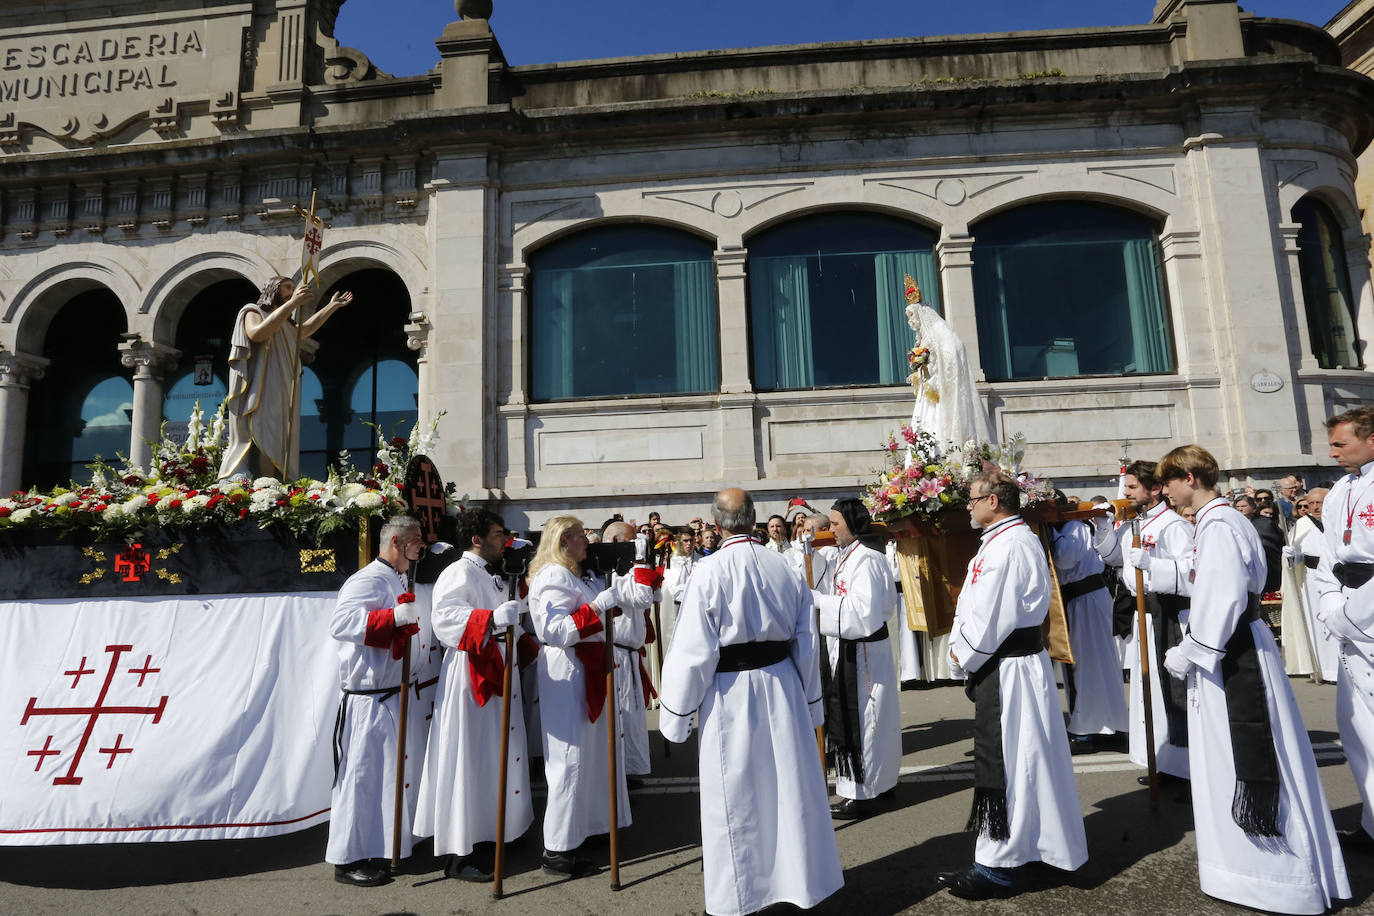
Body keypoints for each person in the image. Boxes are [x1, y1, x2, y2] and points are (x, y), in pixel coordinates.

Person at [1158, 445, 1348, 914]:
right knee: (1226, 758)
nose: (1166, 491)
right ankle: (1243, 870)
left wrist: (1190, 651)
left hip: (1229, 651)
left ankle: (1275, 878)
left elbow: (1223, 595)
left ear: (1188, 476)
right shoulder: (1217, 520)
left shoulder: (1220, 523)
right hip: (1233, 647)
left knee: (1247, 754)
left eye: (1169, 482)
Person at [659, 488, 843, 916]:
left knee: (737, 795)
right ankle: (797, 885)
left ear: (716, 525)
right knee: (786, 787)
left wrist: (676, 717)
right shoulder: (784, 567)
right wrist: (811, 703)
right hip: (782, 687)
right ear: (754, 518)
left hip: (731, 693)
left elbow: (692, 651)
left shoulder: (709, 572)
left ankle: (738, 899)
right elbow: (807, 640)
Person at [940, 471, 1087, 900]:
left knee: (1010, 764)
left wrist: (959, 654)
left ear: (994, 501)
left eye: (972, 498)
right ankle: (1035, 851)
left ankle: (998, 866)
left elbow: (990, 619)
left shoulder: (1008, 546)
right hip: (1011, 665)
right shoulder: (1004, 540)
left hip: (1010, 669)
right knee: (1028, 761)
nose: (967, 505)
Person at [414, 508, 532, 882]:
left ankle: (496, 829)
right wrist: (494, 620)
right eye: (499, 533)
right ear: (477, 538)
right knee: (468, 755)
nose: (505, 540)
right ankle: (461, 850)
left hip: (498, 666)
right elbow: (445, 620)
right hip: (471, 674)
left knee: (494, 755)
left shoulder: (493, 575)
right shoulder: (459, 572)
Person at [527, 516, 649, 877]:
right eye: (582, 536)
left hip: (587, 667)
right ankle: (558, 849)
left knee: (593, 756)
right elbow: (556, 629)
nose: (588, 541)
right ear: (564, 540)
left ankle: (589, 828)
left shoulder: (572, 574)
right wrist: (599, 606)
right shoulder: (552, 575)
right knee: (570, 760)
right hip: (567, 670)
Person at [326, 515, 425, 887]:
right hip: (368, 699)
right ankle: (346, 859)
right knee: (360, 779)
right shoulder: (366, 579)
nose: (422, 547)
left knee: (385, 779)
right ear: (396, 542)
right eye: (417, 541)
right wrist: (391, 617)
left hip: (390, 696)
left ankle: (380, 846)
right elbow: (340, 623)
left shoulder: (394, 577)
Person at [1091, 459, 1193, 789]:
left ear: (1155, 488)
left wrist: (1153, 566)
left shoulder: (1173, 526)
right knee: (1150, 692)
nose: (1126, 493)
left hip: (1166, 617)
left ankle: (1185, 768)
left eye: (1133, 487)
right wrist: (1103, 525)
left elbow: (1187, 574)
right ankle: (1163, 760)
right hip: (1143, 617)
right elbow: (1112, 557)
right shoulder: (1138, 522)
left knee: (1171, 692)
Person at [1309, 407, 1374, 846]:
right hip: (1346, 604)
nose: (1332, 453)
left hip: (1368, 607)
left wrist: (1354, 615)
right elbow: (1329, 556)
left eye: (1340, 444)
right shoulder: (1339, 492)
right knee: (1358, 730)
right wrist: (1332, 604)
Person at [811, 498, 900, 819]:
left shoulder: (868, 560)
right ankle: (880, 783)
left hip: (864, 653)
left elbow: (864, 613)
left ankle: (863, 792)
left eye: (835, 524)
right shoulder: (849, 556)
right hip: (851, 650)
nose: (830, 530)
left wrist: (820, 602)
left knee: (868, 723)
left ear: (852, 524)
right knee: (872, 722)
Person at [218, 276, 352, 481]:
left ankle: (271, 482)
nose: (292, 291)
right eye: (287, 287)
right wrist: (292, 304)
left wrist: (331, 307)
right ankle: (261, 482)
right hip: (259, 385)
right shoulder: (253, 311)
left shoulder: (285, 322)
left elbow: (304, 331)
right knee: (261, 430)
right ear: (274, 289)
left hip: (279, 385)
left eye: (293, 288)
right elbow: (257, 334)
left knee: (275, 436)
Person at [1050, 504, 1129, 741]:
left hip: (1086, 600)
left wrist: (1048, 531)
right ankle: (1101, 725)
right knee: (1089, 666)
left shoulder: (1074, 526)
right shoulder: (1069, 527)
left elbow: (1064, 559)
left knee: (1086, 665)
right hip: (1081, 601)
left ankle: (1089, 729)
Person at [597, 521, 660, 785]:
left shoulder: (629, 570)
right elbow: (642, 598)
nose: (636, 544)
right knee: (621, 716)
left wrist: (649, 564)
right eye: (631, 540)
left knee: (633, 718)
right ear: (615, 542)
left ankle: (630, 769)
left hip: (631, 654)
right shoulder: (609, 573)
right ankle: (617, 776)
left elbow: (654, 597)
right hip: (618, 654)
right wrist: (640, 561)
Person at [1291, 488, 1340, 682]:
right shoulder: (1303, 524)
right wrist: (1291, 556)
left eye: (1319, 502)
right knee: (1316, 623)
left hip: (1335, 577)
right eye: (1310, 503)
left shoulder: (1338, 520)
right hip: (1311, 580)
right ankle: (1320, 669)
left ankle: (1340, 669)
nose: (1314, 507)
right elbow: (1296, 554)